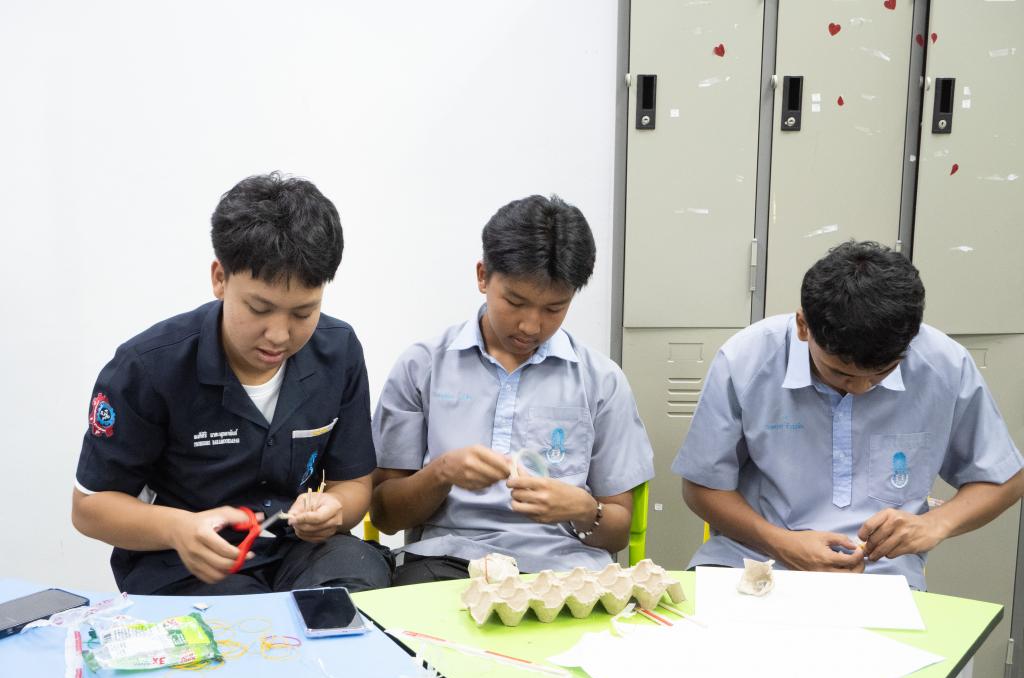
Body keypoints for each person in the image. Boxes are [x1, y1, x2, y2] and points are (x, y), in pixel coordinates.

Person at [72, 172, 392, 596]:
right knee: (246, 626)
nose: (279, 335)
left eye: (303, 313)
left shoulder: (339, 351)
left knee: (356, 584)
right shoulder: (148, 367)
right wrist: (179, 528)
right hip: (189, 563)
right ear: (220, 278)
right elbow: (89, 507)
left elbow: (353, 484)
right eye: (259, 308)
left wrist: (334, 509)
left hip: (296, 550)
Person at [674, 240, 1024, 590]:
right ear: (803, 326)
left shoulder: (945, 366)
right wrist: (781, 543)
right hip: (752, 559)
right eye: (840, 373)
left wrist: (936, 524)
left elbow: (1005, 479)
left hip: (881, 575)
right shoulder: (746, 360)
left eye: (882, 372)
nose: (860, 388)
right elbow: (701, 486)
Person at [371, 194, 654, 584]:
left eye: (554, 308)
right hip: (447, 561)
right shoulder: (422, 367)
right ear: (483, 276)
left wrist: (584, 510)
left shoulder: (601, 381)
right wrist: (441, 473)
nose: (531, 326)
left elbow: (618, 532)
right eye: (515, 302)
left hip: (564, 568)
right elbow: (385, 516)